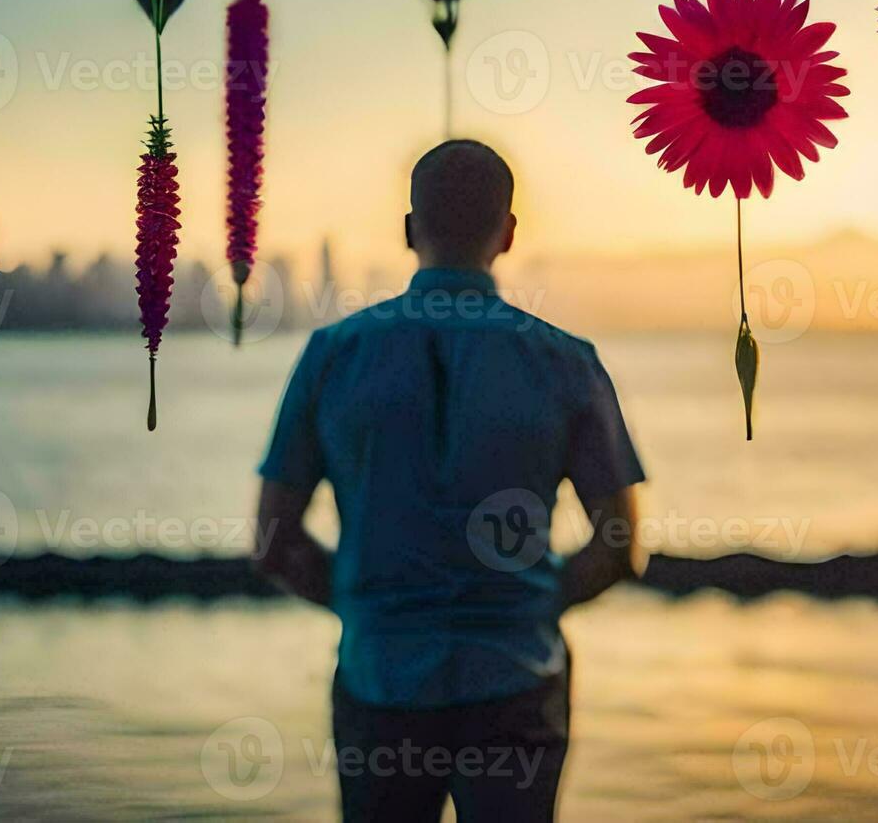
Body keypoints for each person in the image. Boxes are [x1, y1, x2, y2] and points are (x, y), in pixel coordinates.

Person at [253, 139, 646, 822]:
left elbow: (271, 541)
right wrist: (532, 605)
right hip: (517, 683)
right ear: (510, 232)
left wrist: (363, 604)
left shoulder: (333, 354)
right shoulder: (567, 363)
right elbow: (621, 546)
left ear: (409, 231)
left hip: (380, 682)